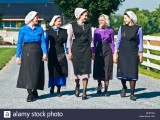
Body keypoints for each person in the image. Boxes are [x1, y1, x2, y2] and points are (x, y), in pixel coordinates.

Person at [16, 11, 48, 102]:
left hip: (38, 52)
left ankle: (35, 90)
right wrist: (18, 56)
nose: (38, 19)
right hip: (27, 52)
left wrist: (45, 53)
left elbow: (43, 42)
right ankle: (30, 94)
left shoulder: (40, 29)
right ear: (31, 18)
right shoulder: (23, 29)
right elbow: (19, 43)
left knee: (36, 71)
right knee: (28, 72)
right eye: (36, 17)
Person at [113, 11, 143, 101]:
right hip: (123, 52)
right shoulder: (121, 28)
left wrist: (141, 54)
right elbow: (118, 41)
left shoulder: (138, 28)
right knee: (123, 71)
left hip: (133, 52)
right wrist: (115, 53)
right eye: (124, 18)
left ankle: (132, 93)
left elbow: (140, 42)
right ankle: (124, 87)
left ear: (131, 18)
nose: (124, 19)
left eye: (125, 18)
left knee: (132, 71)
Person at [67, 8, 93, 100]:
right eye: (85, 15)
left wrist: (92, 51)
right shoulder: (72, 25)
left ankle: (84, 92)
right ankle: (77, 85)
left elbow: (90, 39)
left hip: (86, 50)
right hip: (76, 49)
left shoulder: (88, 25)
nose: (86, 17)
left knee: (86, 71)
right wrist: (69, 52)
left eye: (86, 15)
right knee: (77, 70)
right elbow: (69, 40)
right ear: (79, 15)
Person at [92, 14, 114, 96]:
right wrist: (93, 52)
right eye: (99, 20)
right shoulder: (96, 30)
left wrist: (113, 53)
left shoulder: (111, 31)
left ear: (106, 21)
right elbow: (94, 42)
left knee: (107, 68)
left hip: (107, 50)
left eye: (102, 20)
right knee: (99, 68)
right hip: (99, 50)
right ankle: (99, 86)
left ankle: (106, 90)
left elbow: (112, 43)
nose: (100, 22)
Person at [47, 15, 68, 97]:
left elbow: (67, 43)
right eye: (58, 21)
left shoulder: (64, 31)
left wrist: (67, 51)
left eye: (60, 21)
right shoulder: (49, 31)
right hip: (52, 52)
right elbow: (46, 42)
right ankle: (52, 86)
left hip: (61, 53)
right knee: (52, 69)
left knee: (61, 70)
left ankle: (58, 89)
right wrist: (45, 53)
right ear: (54, 22)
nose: (60, 22)